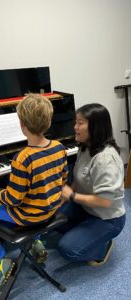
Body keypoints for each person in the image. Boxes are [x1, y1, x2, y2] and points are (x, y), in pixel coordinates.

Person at [0, 93, 68, 290]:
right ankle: (37, 245)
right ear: (48, 120)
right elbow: (62, 180)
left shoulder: (23, 158)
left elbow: (12, 199)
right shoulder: (59, 147)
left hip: (27, 216)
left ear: (22, 124)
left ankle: (0, 263)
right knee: (34, 196)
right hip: (49, 210)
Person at [57, 103, 126, 266]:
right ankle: (87, 232)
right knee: (52, 217)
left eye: (80, 123)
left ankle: (102, 247)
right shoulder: (85, 147)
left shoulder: (105, 159)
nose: (75, 127)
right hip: (86, 209)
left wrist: (71, 196)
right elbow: (78, 180)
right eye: (75, 122)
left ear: (95, 127)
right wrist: (64, 198)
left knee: (67, 249)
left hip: (107, 219)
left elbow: (105, 201)